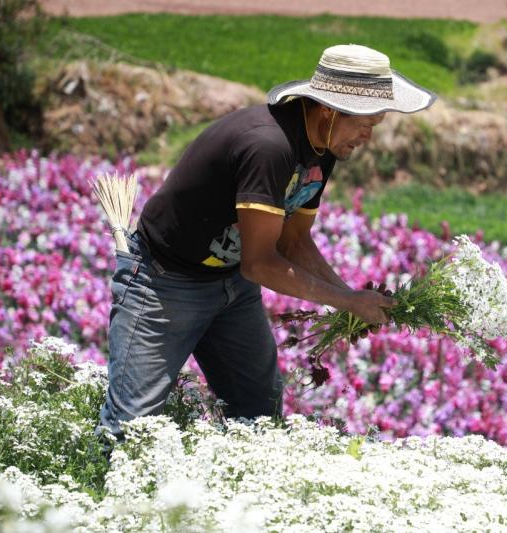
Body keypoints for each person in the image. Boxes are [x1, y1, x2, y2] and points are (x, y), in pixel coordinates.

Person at [97, 44, 437, 441]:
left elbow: (294, 242)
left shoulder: (322, 149)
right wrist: (346, 302)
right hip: (165, 283)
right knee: (129, 427)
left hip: (231, 287)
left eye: (375, 125)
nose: (368, 136)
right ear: (328, 109)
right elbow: (258, 264)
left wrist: (350, 297)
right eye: (365, 123)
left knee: (258, 412)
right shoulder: (268, 146)